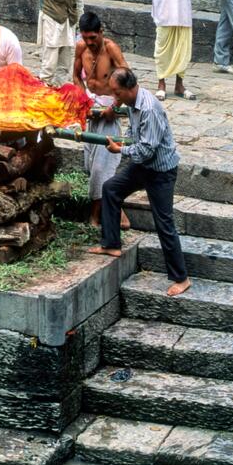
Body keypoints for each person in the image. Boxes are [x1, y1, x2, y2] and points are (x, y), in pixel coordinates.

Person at [88, 68, 190, 297]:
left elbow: (145, 150)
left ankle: (181, 278)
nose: (116, 97)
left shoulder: (150, 108)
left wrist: (119, 149)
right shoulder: (131, 102)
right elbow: (134, 133)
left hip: (160, 170)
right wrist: (112, 108)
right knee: (110, 189)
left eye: (117, 93)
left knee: (164, 222)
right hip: (143, 165)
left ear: (129, 88)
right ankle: (111, 243)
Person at [72, 11, 131, 231]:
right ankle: (118, 212)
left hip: (109, 113)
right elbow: (77, 76)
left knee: (100, 168)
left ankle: (94, 217)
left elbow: (127, 79)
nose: (90, 42)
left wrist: (114, 106)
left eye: (93, 38)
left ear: (101, 33)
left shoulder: (111, 49)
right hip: (90, 112)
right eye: (86, 38)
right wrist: (83, 100)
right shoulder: (80, 48)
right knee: (91, 165)